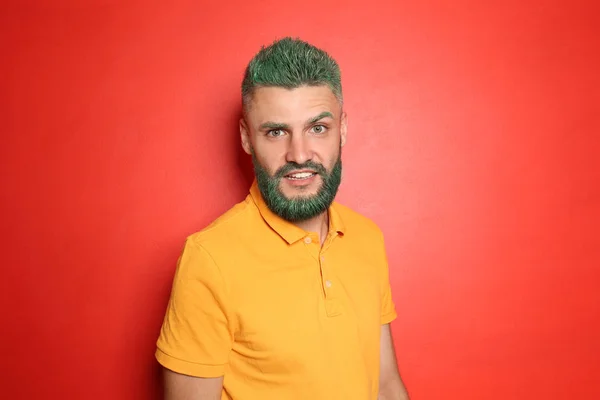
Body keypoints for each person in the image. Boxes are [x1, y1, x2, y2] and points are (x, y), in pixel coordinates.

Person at [155, 37, 410, 400]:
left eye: (317, 128)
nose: (299, 154)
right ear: (246, 138)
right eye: (276, 132)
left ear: (343, 129)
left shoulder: (367, 238)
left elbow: (386, 386)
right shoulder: (209, 260)